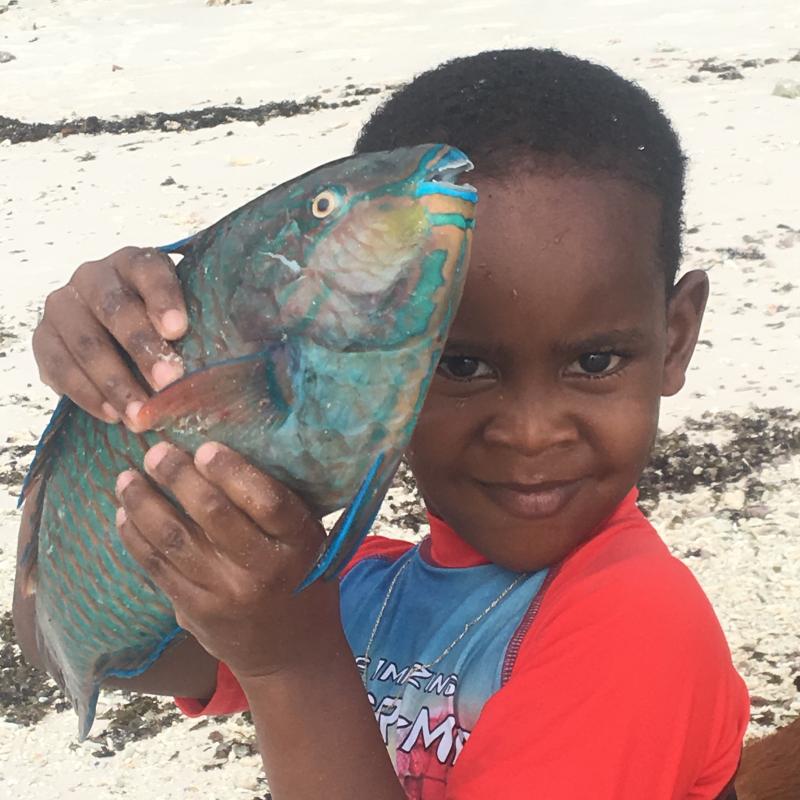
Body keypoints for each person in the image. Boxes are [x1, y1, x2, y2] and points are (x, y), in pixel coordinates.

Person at [14, 49, 750, 798]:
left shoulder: (635, 628)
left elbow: (282, 652)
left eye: (594, 362)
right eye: (459, 366)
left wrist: (293, 664)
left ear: (676, 338)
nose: (531, 433)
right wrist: (104, 392)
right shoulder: (360, 588)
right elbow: (63, 642)